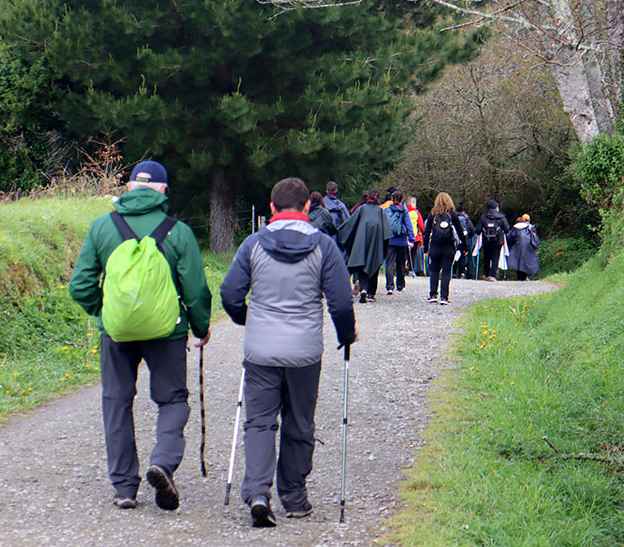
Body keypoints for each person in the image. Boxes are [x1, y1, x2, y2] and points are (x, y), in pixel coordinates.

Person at [69, 160, 212, 511]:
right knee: (172, 399)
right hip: (166, 331)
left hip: (116, 332)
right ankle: (162, 462)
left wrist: (104, 313)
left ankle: (124, 488)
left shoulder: (102, 227)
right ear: (163, 191)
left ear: (129, 187)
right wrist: (201, 326)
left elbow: (81, 285)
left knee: (116, 401)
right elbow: (195, 290)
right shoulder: (177, 231)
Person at [219, 177, 357, 527]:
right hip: (304, 353)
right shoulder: (324, 247)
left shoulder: (253, 244)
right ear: (307, 207)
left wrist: (247, 319)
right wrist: (346, 335)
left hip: (261, 351)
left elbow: (231, 294)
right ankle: (294, 498)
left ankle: (258, 493)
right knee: (299, 422)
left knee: (260, 423)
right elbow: (341, 302)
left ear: (271, 208)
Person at [338, 188, 392, 303]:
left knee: (362, 265)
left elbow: (350, 224)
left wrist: (337, 231)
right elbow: (387, 231)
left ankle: (363, 289)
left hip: (361, 242)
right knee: (374, 265)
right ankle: (371, 294)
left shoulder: (362, 209)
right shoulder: (381, 211)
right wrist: (384, 248)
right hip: (376, 243)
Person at [422, 192, 468, 305]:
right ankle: (444, 297)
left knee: (434, 270)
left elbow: (427, 232)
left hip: (435, 246)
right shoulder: (452, 214)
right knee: (446, 271)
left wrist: (426, 248)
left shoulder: (432, 214)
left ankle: (433, 294)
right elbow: (460, 232)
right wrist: (464, 247)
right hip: (448, 246)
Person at [384, 189, 414, 294]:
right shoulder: (404, 211)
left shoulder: (386, 210)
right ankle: (400, 285)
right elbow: (409, 226)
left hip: (390, 240)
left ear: (392, 199)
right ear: (402, 200)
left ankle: (389, 286)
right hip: (401, 240)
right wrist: (411, 239)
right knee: (401, 263)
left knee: (390, 263)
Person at [476, 200, 511, 282]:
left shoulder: (483, 217)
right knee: (495, 257)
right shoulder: (501, 217)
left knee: (486, 257)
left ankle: (486, 274)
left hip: (486, 240)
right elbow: (507, 228)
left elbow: (477, 230)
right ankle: (492, 275)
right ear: (496, 208)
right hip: (498, 241)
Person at [507, 214, 540, 280]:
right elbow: (534, 239)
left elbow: (509, 238)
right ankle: (526, 276)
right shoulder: (530, 228)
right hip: (528, 248)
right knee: (527, 262)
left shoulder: (514, 229)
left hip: (516, 249)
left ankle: (520, 277)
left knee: (518, 263)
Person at [406, 196, 426, 276]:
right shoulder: (416, 213)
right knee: (413, 254)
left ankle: (403, 268)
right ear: (413, 203)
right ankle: (411, 269)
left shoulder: (404, 211)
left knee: (404, 253)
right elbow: (421, 225)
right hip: (415, 237)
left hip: (405, 237)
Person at [456, 205, 477, 278]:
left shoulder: (452, 217)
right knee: (463, 256)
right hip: (464, 240)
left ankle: (453, 272)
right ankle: (462, 272)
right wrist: (468, 237)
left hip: (454, 240)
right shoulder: (466, 219)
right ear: (463, 212)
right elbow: (473, 230)